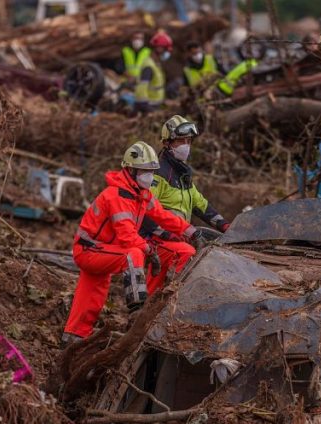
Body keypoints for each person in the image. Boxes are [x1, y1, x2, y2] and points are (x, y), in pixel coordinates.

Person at [62, 142, 206, 345]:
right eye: (145, 172)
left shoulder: (140, 195)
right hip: (90, 250)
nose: (149, 177)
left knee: (91, 297)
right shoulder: (118, 196)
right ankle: (137, 311)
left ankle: (73, 338)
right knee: (133, 254)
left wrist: (191, 231)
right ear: (130, 170)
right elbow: (127, 237)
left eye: (152, 172)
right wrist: (149, 250)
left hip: (101, 249)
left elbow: (163, 216)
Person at [152, 115, 229, 233]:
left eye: (188, 141)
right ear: (167, 143)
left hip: (181, 235)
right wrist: (164, 235)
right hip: (162, 239)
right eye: (181, 141)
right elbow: (145, 210)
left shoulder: (182, 173)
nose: (186, 146)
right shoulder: (158, 173)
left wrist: (223, 225)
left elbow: (199, 203)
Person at [135, 30, 171, 113]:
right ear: (159, 48)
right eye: (166, 49)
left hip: (155, 105)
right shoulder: (149, 66)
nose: (167, 53)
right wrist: (148, 110)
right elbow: (141, 91)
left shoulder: (156, 64)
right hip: (148, 108)